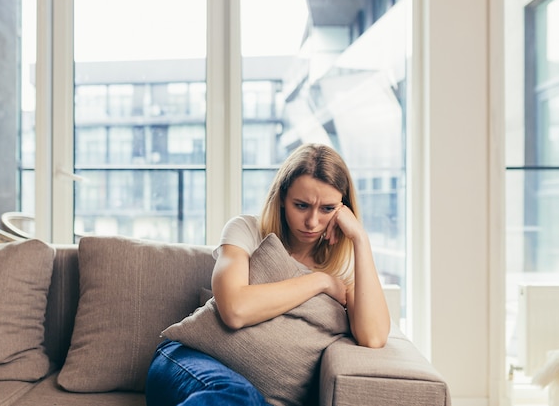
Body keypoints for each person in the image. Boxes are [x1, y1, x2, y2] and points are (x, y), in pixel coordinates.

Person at [145, 143, 390, 406]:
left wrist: (360, 239)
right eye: (301, 205)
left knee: (246, 399)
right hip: (188, 360)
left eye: (328, 209)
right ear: (283, 199)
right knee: (236, 395)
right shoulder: (247, 230)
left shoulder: (346, 265)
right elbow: (235, 310)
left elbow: (373, 337)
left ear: (344, 208)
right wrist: (320, 281)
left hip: (248, 396)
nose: (312, 222)